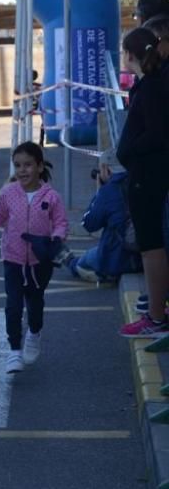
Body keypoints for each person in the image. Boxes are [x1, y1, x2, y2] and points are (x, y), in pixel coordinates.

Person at [0, 142, 67, 372]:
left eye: (28, 165)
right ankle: (14, 350)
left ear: (39, 167)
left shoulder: (51, 196)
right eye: (17, 165)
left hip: (41, 260)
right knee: (13, 305)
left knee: (36, 303)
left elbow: (60, 222)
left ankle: (34, 333)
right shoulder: (9, 193)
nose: (22, 170)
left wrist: (57, 239)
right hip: (13, 258)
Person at [115, 28, 169, 337]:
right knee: (152, 245)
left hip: (147, 175)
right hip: (146, 173)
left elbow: (156, 133)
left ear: (130, 55)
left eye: (124, 52)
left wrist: (130, 150)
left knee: (150, 247)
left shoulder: (150, 88)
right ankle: (157, 311)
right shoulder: (148, 85)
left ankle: (156, 316)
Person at [62, 150, 138, 284]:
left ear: (105, 168)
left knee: (86, 259)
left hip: (117, 257)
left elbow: (89, 223)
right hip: (148, 255)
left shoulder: (108, 191)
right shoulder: (140, 181)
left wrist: (99, 193)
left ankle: (71, 263)